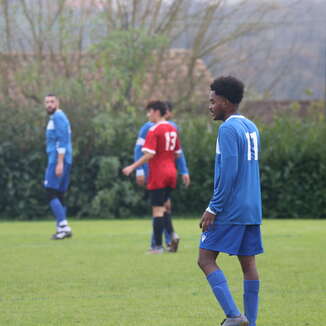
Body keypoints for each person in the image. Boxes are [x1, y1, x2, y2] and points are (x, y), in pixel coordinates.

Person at [197, 76, 263, 326]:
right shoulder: (251, 127)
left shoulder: (227, 129)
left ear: (225, 102)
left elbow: (230, 172)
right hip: (252, 208)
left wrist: (213, 207)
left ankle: (235, 317)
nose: (210, 106)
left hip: (231, 208)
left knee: (205, 259)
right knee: (248, 264)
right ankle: (252, 322)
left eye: (213, 101)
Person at [123, 101, 182, 254]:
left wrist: (133, 167)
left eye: (149, 112)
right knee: (164, 206)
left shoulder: (154, 130)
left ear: (156, 112)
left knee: (157, 210)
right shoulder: (172, 128)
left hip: (159, 174)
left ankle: (156, 247)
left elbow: (149, 154)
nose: (148, 115)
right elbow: (177, 153)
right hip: (171, 173)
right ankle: (172, 235)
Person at [44, 94, 73, 240]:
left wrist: (59, 162)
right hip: (63, 159)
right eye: (47, 102)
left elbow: (62, 140)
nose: (49, 104)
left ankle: (64, 226)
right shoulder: (57, 117)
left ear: (58, 103)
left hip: (57, 160)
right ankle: (61, 229)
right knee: (59, 194)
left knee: (50, 192)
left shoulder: (58, 117)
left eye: (52, 102)